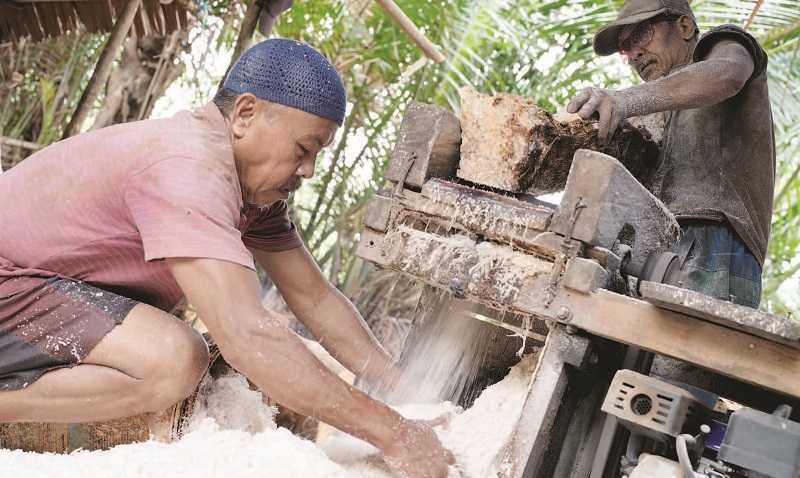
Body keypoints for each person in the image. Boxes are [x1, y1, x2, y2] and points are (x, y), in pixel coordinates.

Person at [0, 39, 454, 478]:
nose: (309, 170)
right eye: (303, 149)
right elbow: (246, 334)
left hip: (33, 292)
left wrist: (404, 396)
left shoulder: (251, 193)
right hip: (9, 283)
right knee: (173, 358)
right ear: (245, 114)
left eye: (318, 155)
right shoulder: (187, 166)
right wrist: (393, 435)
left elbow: (314, 299)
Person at [567, 0, 774, 308]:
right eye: (625, 49)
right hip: (651, 246)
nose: (633, 54)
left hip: (714, 243)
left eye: (640, 36)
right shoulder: (652, 108)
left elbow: (728, 74)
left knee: (681, 353)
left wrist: (623, 100)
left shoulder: (726, 45)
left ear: (684, 27)